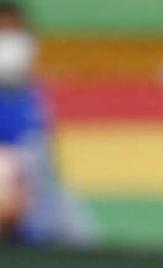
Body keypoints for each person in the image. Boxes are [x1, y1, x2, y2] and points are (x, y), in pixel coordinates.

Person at [0, 1, 94, 246]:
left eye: (14, 32)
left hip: (39, 236)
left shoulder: (32, 97)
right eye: (1, 33)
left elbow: (47, 179)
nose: (8, 43)